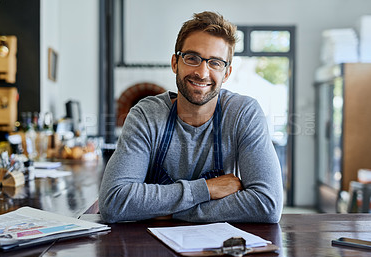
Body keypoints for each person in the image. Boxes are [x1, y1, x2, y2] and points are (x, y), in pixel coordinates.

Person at [99, 11, 283, 223]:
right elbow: (113, 202)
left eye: (215, 62)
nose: (202, 72)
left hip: (219, 248)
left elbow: (267, 204)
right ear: (175, 63)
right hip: (151, 249)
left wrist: (169, 213)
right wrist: (207, 189)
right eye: (192, 58)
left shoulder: (243, 114)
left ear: (227, 73)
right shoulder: (146, 115)